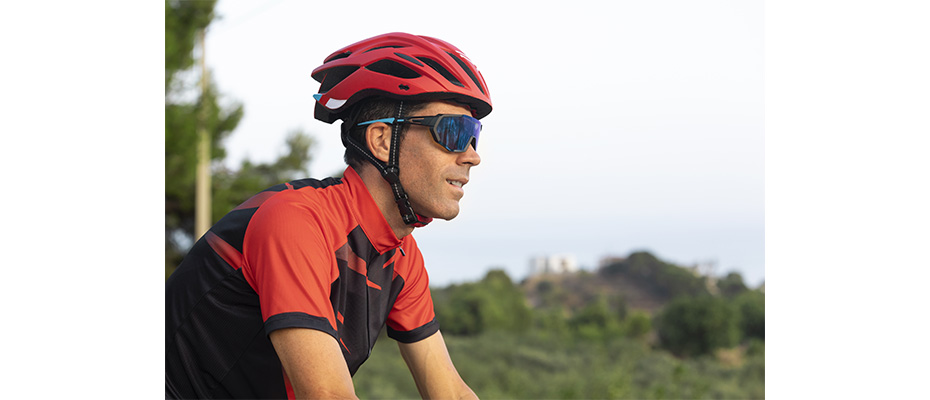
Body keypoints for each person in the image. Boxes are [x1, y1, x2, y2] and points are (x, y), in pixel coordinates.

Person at [165, 32, 492, 399]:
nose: (472, 155)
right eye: (453, 131)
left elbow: (450, 392)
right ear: (382, 140)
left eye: (474, 135)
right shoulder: (296, 222)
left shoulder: (402, 257)